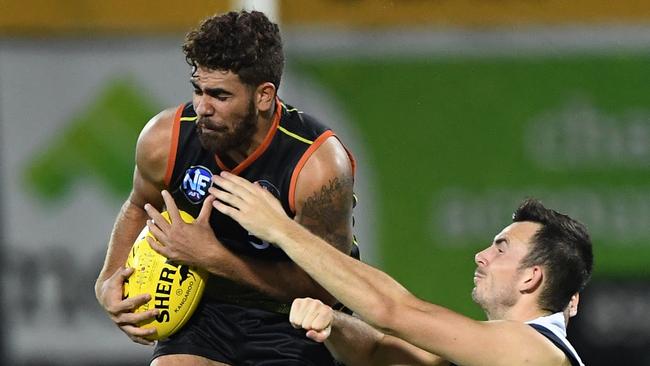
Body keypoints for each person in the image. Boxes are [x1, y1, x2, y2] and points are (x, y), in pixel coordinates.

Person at [94, 10, 357, 366]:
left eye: (219, 95)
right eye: (198, 90)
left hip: (298, 317)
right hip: (208, 311)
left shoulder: (317, 165)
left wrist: (215, 258)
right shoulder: (164, 139)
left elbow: (328, 285)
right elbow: (139, 206)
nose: (203, 108)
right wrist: (108, 280)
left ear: (264, 96)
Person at [209, 174, 593, 366]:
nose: (481, 255)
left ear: (532, 276)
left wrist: (281, 229)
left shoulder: (534, 352)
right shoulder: (493, 351)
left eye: (501, 248)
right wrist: (333, 323)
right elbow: (377, 350)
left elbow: (393, 312)